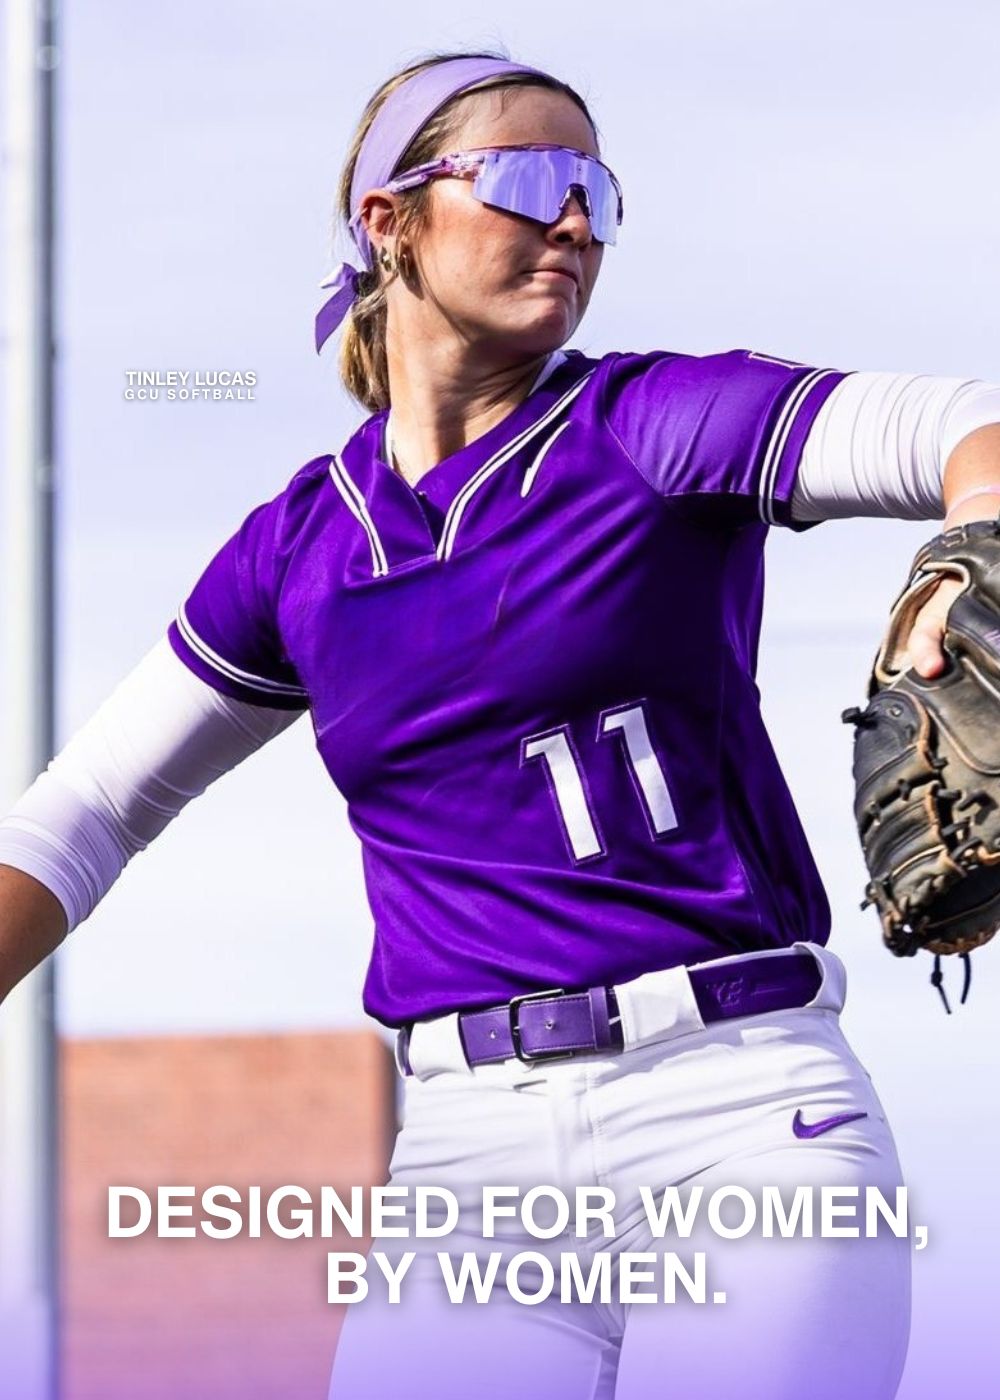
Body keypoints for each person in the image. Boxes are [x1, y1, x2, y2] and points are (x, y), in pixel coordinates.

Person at [2, 47, 999, 1400]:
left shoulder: (653, 424)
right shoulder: (302, 549)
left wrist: (964, 555)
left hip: (742, 1116)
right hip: (467, 1161)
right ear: (390, 221)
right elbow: (87, 812)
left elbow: (969, 423)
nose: (577, 220)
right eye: (533, 181)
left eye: (598, 188)